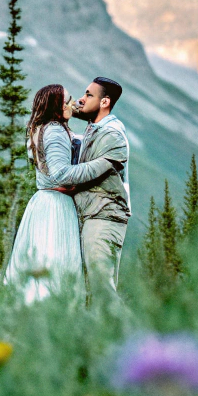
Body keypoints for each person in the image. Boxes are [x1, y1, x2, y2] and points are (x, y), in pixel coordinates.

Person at [3, 83, 122, 304]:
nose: (74, 102)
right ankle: (53, 314)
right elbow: (61, 174)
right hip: (56, 206)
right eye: (67, 100)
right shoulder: (55, 130)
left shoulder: (42, 128)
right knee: (57, 263)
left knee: (41, 265)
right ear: (57, 106)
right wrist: (103, 164)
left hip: (43, 203)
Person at [66, 76, 130, 299]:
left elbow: (86, 174)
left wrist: (58, 176)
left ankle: (129, 332)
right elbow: (74, 111)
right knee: (88, 291)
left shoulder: (112, 135)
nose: (81, 100)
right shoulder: (95, 129)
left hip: (105, 216)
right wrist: (61, 108)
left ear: (105, 102)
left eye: (88, 95)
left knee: (101, 288)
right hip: (92, 214)